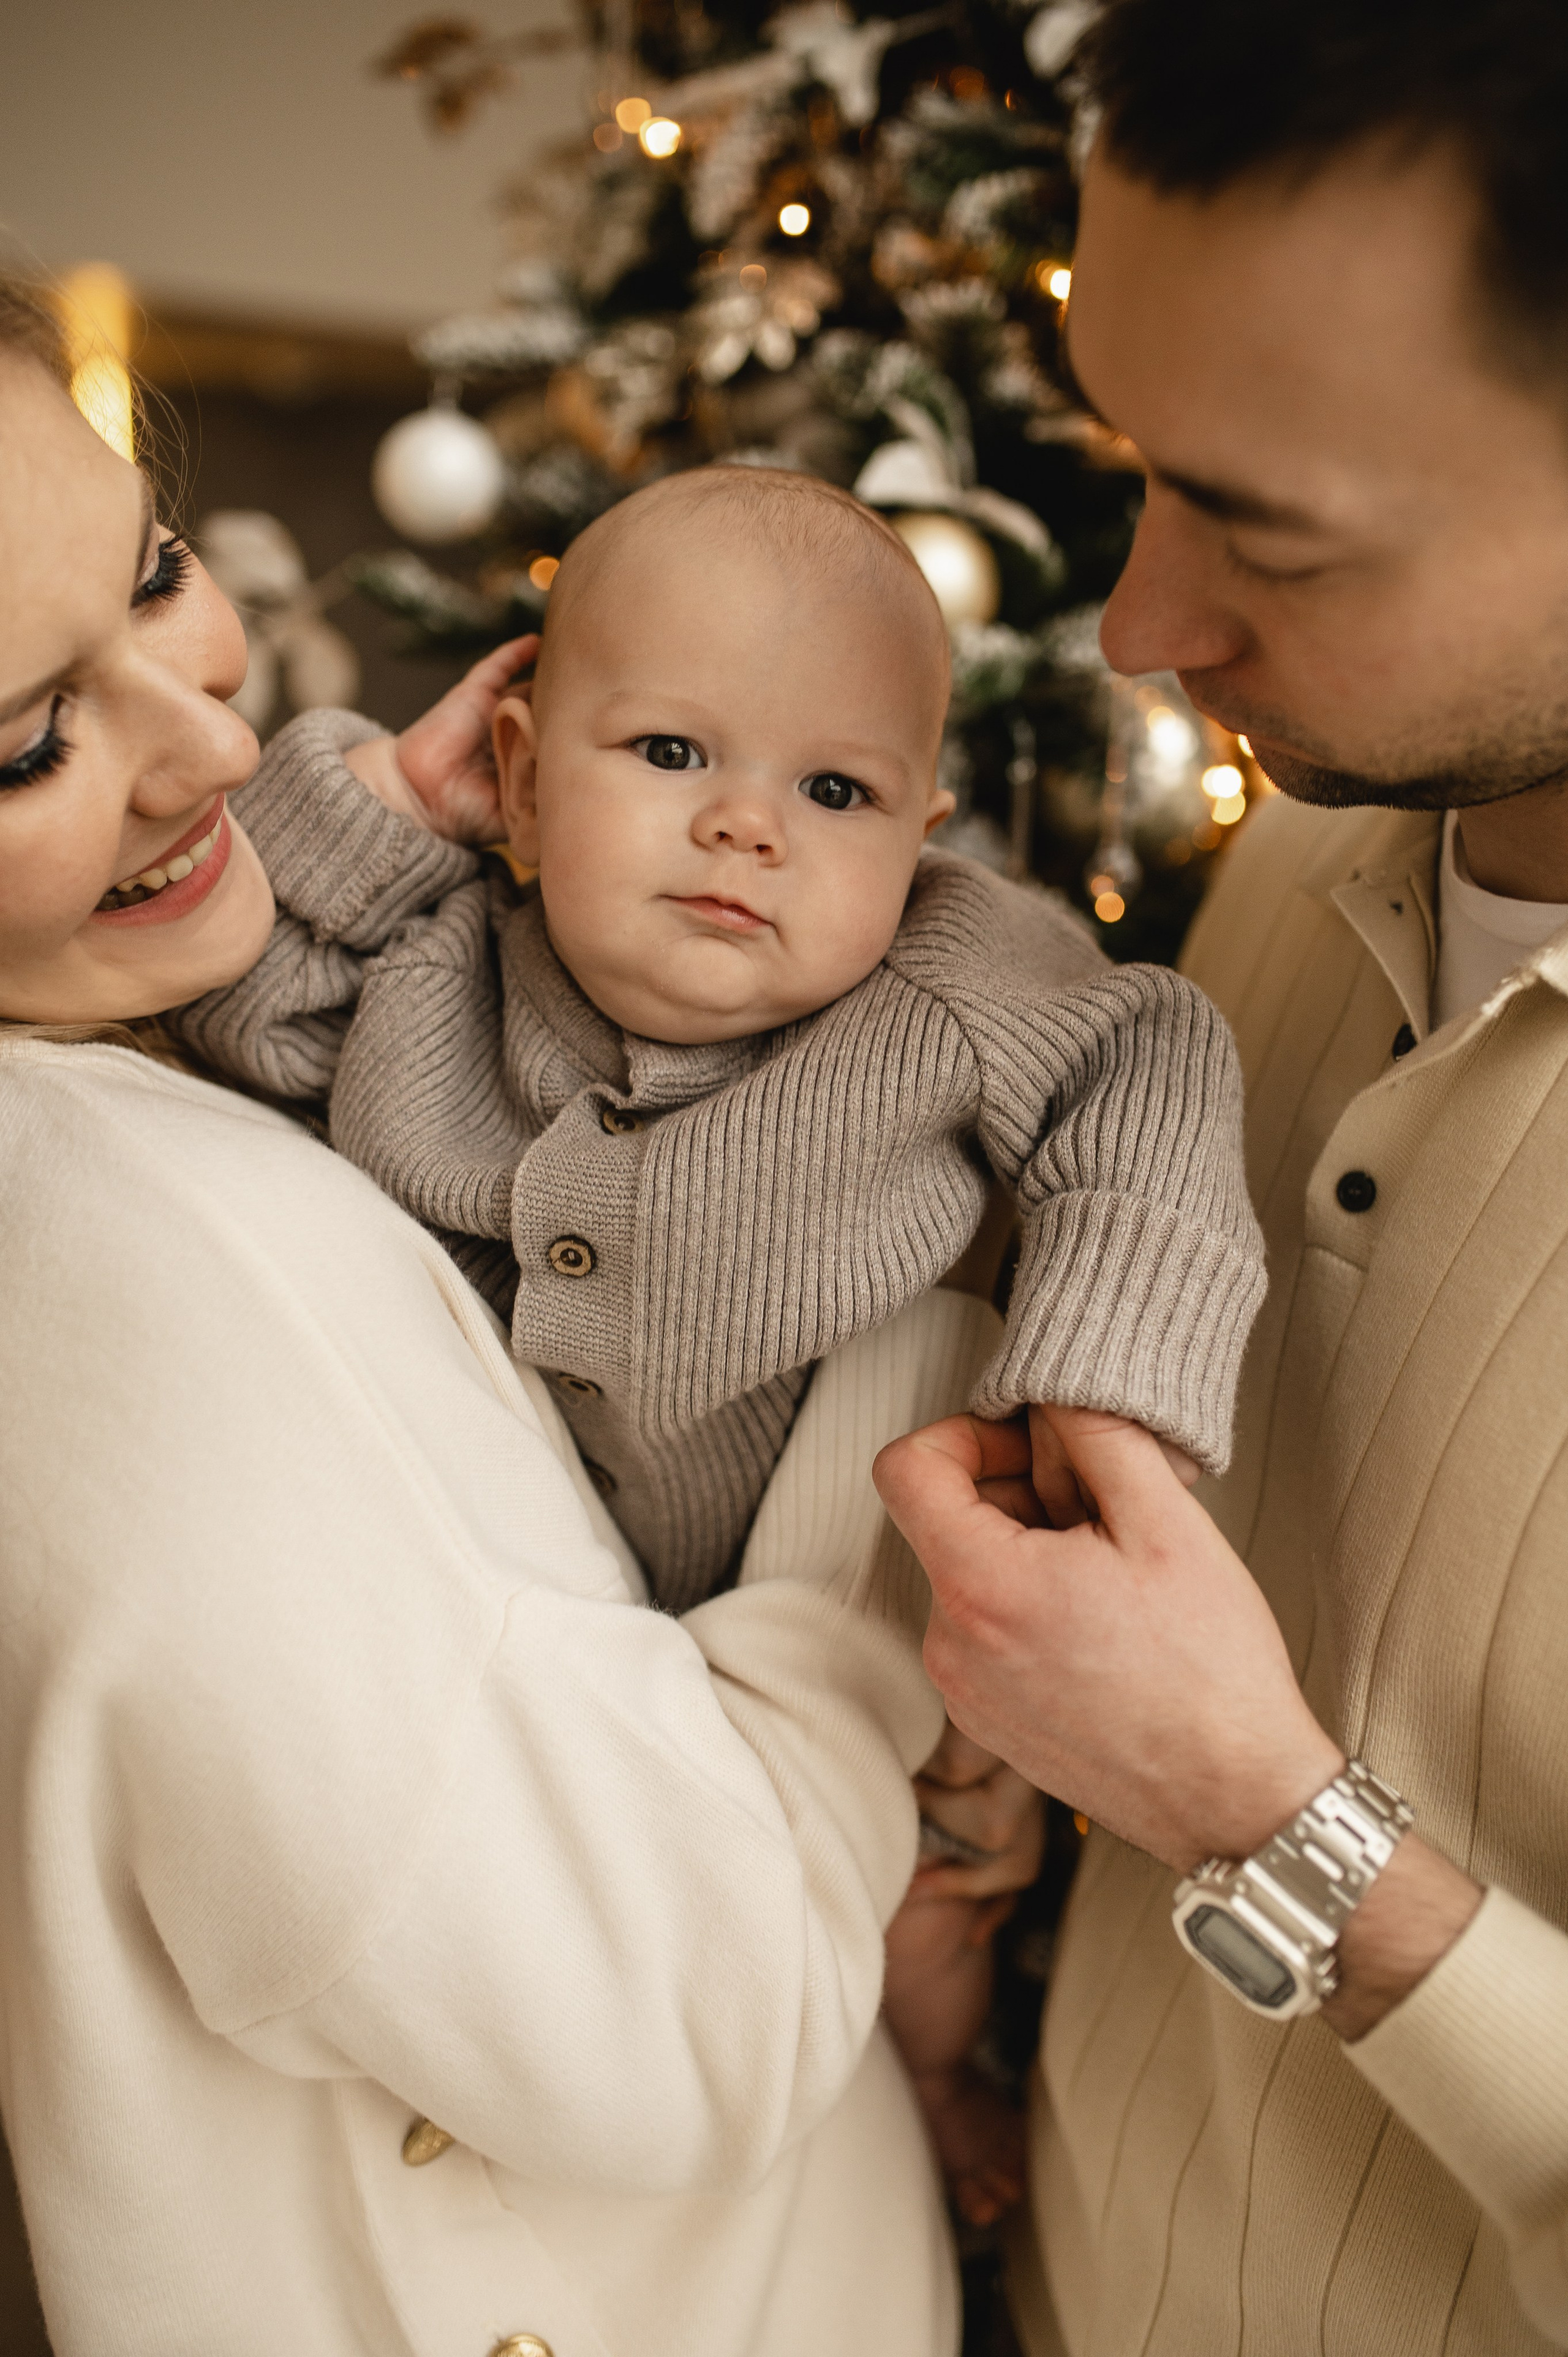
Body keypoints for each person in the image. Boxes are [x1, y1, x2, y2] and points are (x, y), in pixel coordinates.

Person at [0, 274, 1044, 2357]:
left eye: (161, 573)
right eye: (27, 737)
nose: (217, 731)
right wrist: (901, 1407)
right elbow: (685, 2013)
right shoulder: (144, 1259)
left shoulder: (210, 1050)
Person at [165, 461, 1264, 2216]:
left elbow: (1158, 1056)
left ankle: (936, 2092)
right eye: (671, 755)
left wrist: (1099, 1374)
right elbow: (236, 998)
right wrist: (380, 802)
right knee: (550, 1965)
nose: (750, 827)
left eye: (836, 789)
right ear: (520, 778)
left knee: (920, 1918)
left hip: (841, 1638)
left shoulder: (953, 986)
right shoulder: (440, 966)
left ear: (921, 838)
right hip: (536, 1660)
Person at [873, 3, 1568, 2352]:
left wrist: (1273, 1821)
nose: (1140, 629)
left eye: (1263, 524)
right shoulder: (1298, 852)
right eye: (1138, 467)